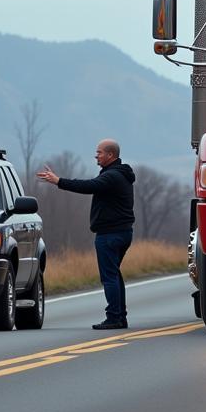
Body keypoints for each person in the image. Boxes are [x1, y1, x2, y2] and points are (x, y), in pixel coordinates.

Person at [37, 139, 136, 330]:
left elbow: (88, 186)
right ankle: (120, 317)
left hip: (110, 235)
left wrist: (59, 181)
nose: (95, 156)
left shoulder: (112, 176)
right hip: (122, 233)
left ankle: (114, 317)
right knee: (114, 274)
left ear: (110, 155)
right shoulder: (120, 174)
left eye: (99, 152)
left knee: (109, 276)